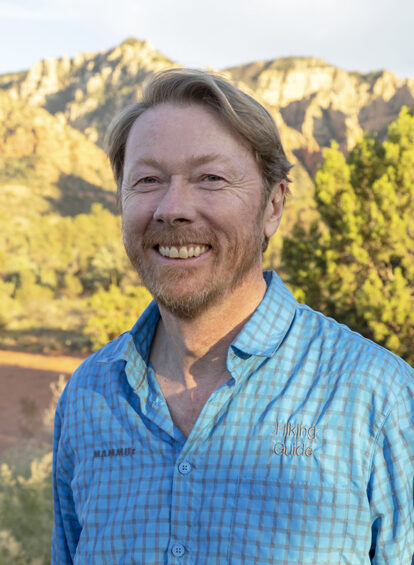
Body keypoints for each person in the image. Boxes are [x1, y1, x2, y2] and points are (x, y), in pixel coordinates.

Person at [52, 68, 414, 564]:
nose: (173, 208)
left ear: (273, 205)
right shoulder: (88, 397)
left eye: (211, 179)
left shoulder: (377, 397)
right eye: (148, 180)